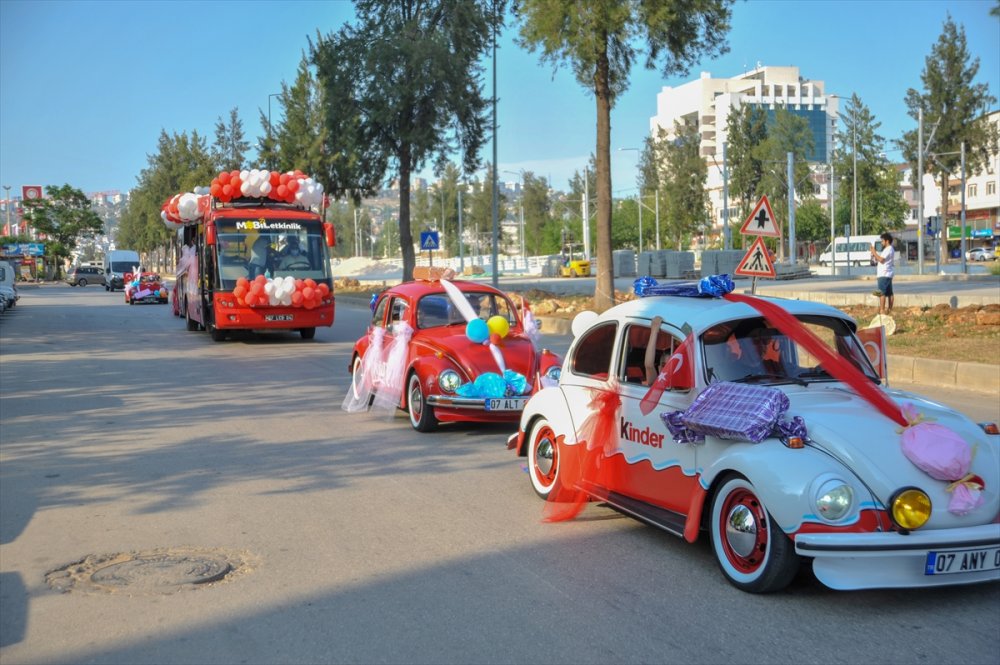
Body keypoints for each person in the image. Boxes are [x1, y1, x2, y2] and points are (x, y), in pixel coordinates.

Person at [870, 232, 895, 315]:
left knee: (882, 293)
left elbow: (881, 260)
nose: (881, 243)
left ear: (887, 241)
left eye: (882, 241)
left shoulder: (888, 249)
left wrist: (874, 252)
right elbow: (880, 259)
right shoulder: (888, 249)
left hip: (884, 274)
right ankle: (889, 310)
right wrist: (874, 255)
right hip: (886, 274)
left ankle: (882, 310)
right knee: (889, 293)